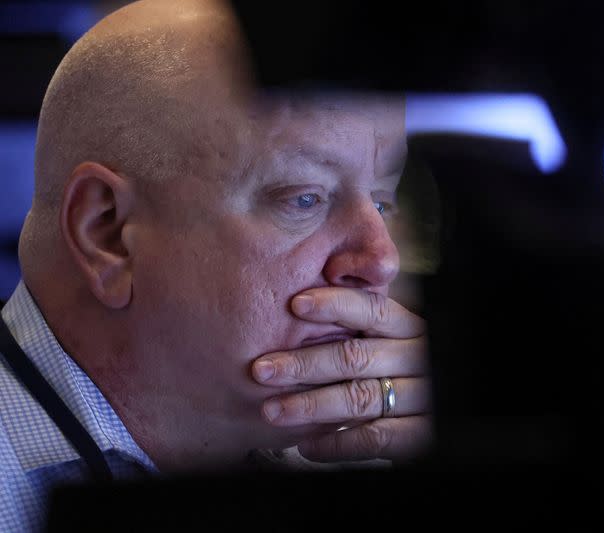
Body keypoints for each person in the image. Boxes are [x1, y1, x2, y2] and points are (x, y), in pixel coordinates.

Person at [0, 0, 433, 530]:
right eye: (305, 198)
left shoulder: (375, 456)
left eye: (382, 201)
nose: (381, 260)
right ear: (106, 234)